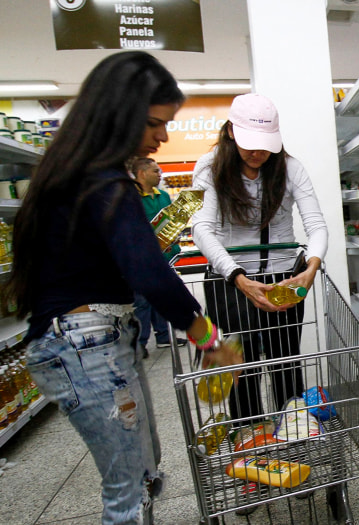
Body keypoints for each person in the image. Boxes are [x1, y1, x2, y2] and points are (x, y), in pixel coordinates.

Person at [6, 51, 242, 525]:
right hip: (83, 344)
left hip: (96, 339)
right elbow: (149, 272)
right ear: (118, 115)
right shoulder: (103, 181)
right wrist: (208, 337)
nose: (164, 137)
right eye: (156, 123)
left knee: (145, 470)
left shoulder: (76, 175)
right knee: (128, 489)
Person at [192, 93, 328, 425]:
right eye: (250, 143)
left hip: (283, 279)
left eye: (266, 144)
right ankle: (249, 434)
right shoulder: (209, 167)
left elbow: (317, 225)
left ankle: (291, 427)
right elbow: (201, 228)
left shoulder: (291, 168)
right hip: (230, 284)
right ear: (230, 132)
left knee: (286, 361)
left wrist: (310, 268)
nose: (258, 153)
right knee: (240, 366)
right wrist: (237, 276)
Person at [132, 157, 187, 358]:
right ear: (142, 173)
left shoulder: (163, 195)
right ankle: (140, 343)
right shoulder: (131, 198)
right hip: (142, 260)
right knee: (143, 302)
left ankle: (163, 336)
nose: (159, 174)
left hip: (166, 257)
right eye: (155, 171)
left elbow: (172, 221)